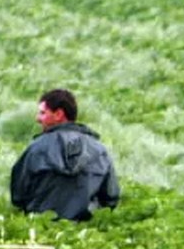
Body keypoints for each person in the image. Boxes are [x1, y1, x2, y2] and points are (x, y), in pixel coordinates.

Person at [9, 88, 120, 222]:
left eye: (43, 113)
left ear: (59, 114)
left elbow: (18, 195)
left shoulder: (36, 149)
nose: (38, 118)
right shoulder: (100, 151)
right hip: (85, 233)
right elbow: (111, 198)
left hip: (41, 229)